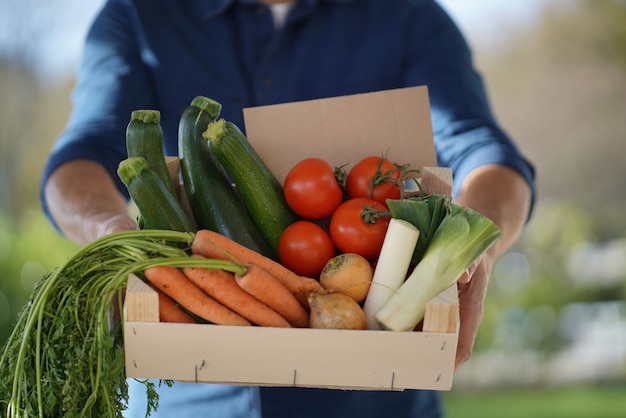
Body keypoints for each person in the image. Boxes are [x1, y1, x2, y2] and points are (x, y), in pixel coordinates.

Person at [41, 0, 535, 417]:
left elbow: (482, 150)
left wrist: (477, 248)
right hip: (189, 397)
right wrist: (110, 231)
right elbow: (79, 156)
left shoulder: (405, 13)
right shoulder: (139, 14)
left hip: (375, 396)